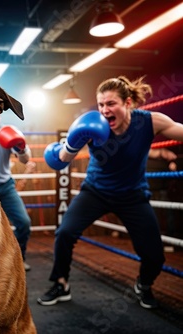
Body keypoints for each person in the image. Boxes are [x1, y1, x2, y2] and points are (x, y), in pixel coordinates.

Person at [39, 76, 183, 309]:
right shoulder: (92, 125)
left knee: (155, 256)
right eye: (101, 105)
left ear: (127, 103)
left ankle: (143, 286)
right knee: (65, 233)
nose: (105, 111)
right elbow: (62, 161)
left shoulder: (149, 122)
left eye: (111, 104)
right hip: (95, 191)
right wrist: (71, 144)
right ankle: (60, 283)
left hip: (133, 195)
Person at [0, 115, 34, 271]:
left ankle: (18, 258)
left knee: (24, 223)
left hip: (6, 186)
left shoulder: (9, 131)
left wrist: (21, 148)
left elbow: (25, 160)